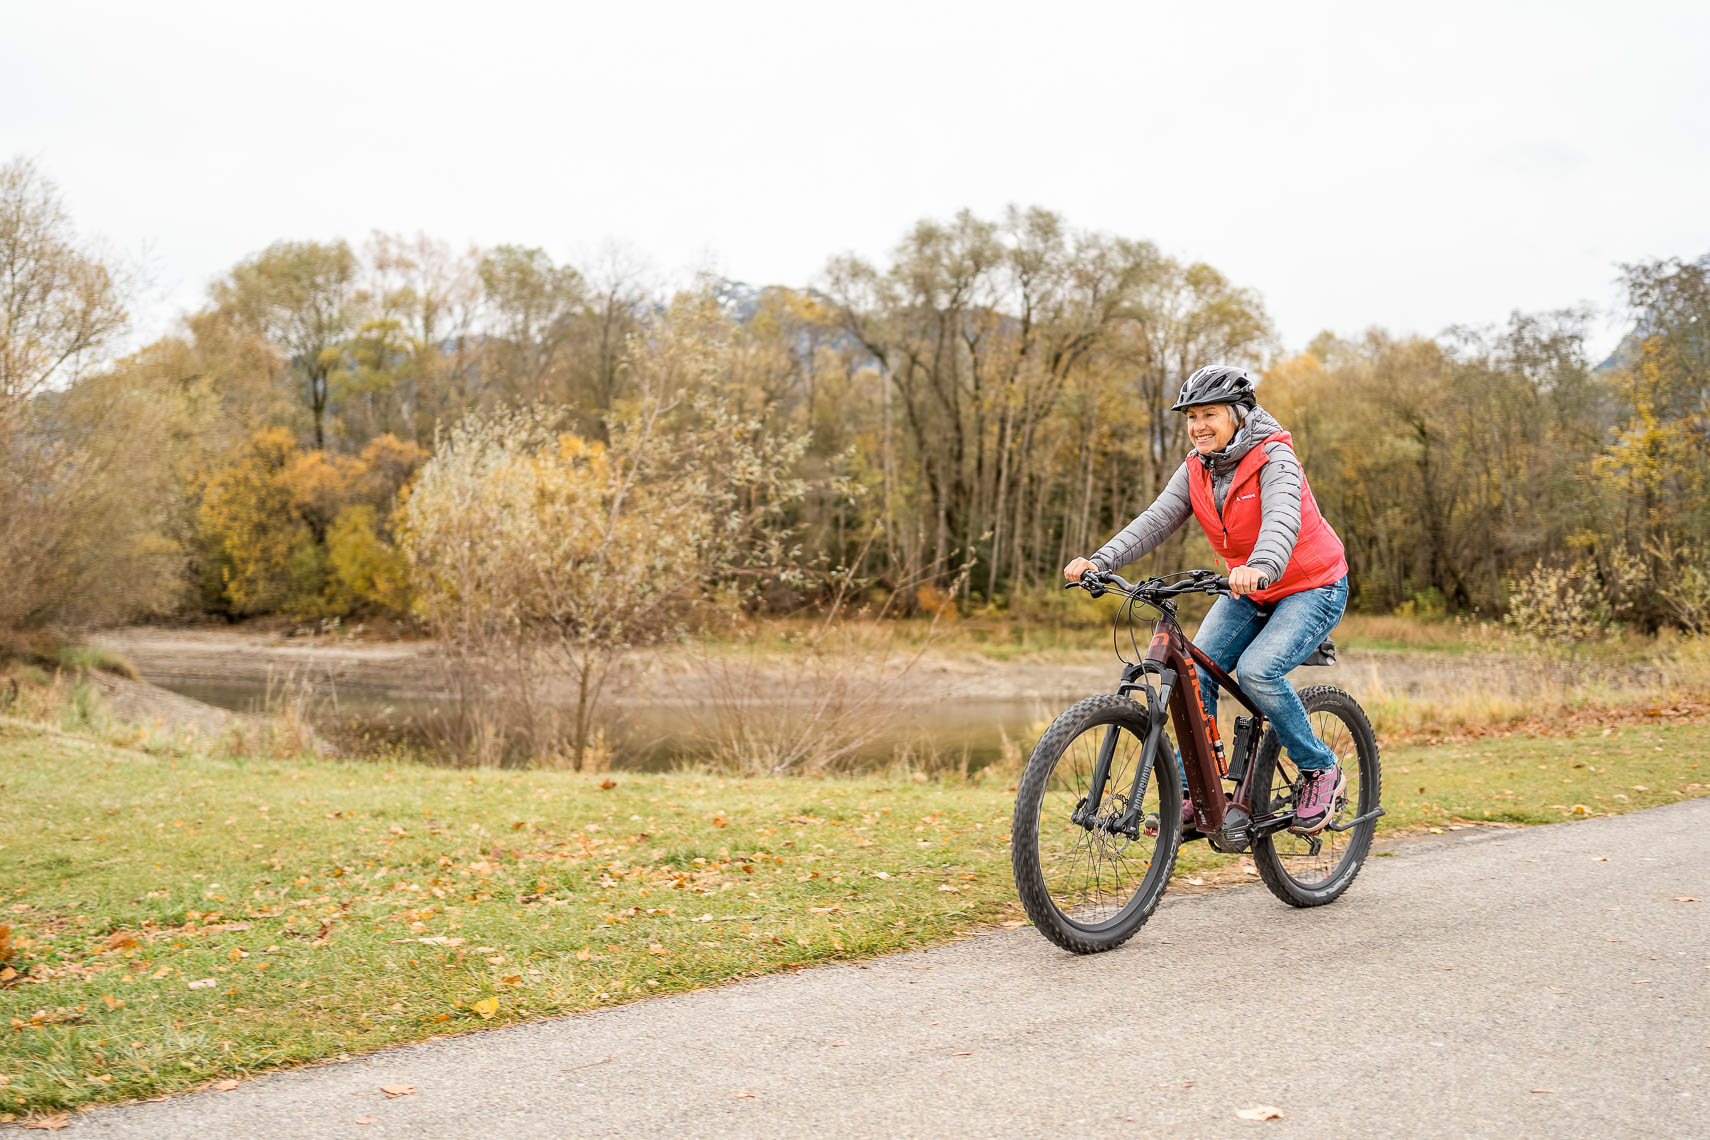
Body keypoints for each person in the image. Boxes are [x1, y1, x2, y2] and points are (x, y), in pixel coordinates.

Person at [1063, 364, 1350, 834]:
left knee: (1258, 670)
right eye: (1191, 416)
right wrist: (1102, 561)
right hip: (1250, 588)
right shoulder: (1196, 467)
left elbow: (1281, 520)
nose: (1198, 426)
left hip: (1310, 586)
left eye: (1209, 414)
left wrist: (1261, 567)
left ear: (1239, 415)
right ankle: (1200, 794)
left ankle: (1321, 770)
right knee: (1195, 672)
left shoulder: (1275, 459)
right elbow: (1155, 520)